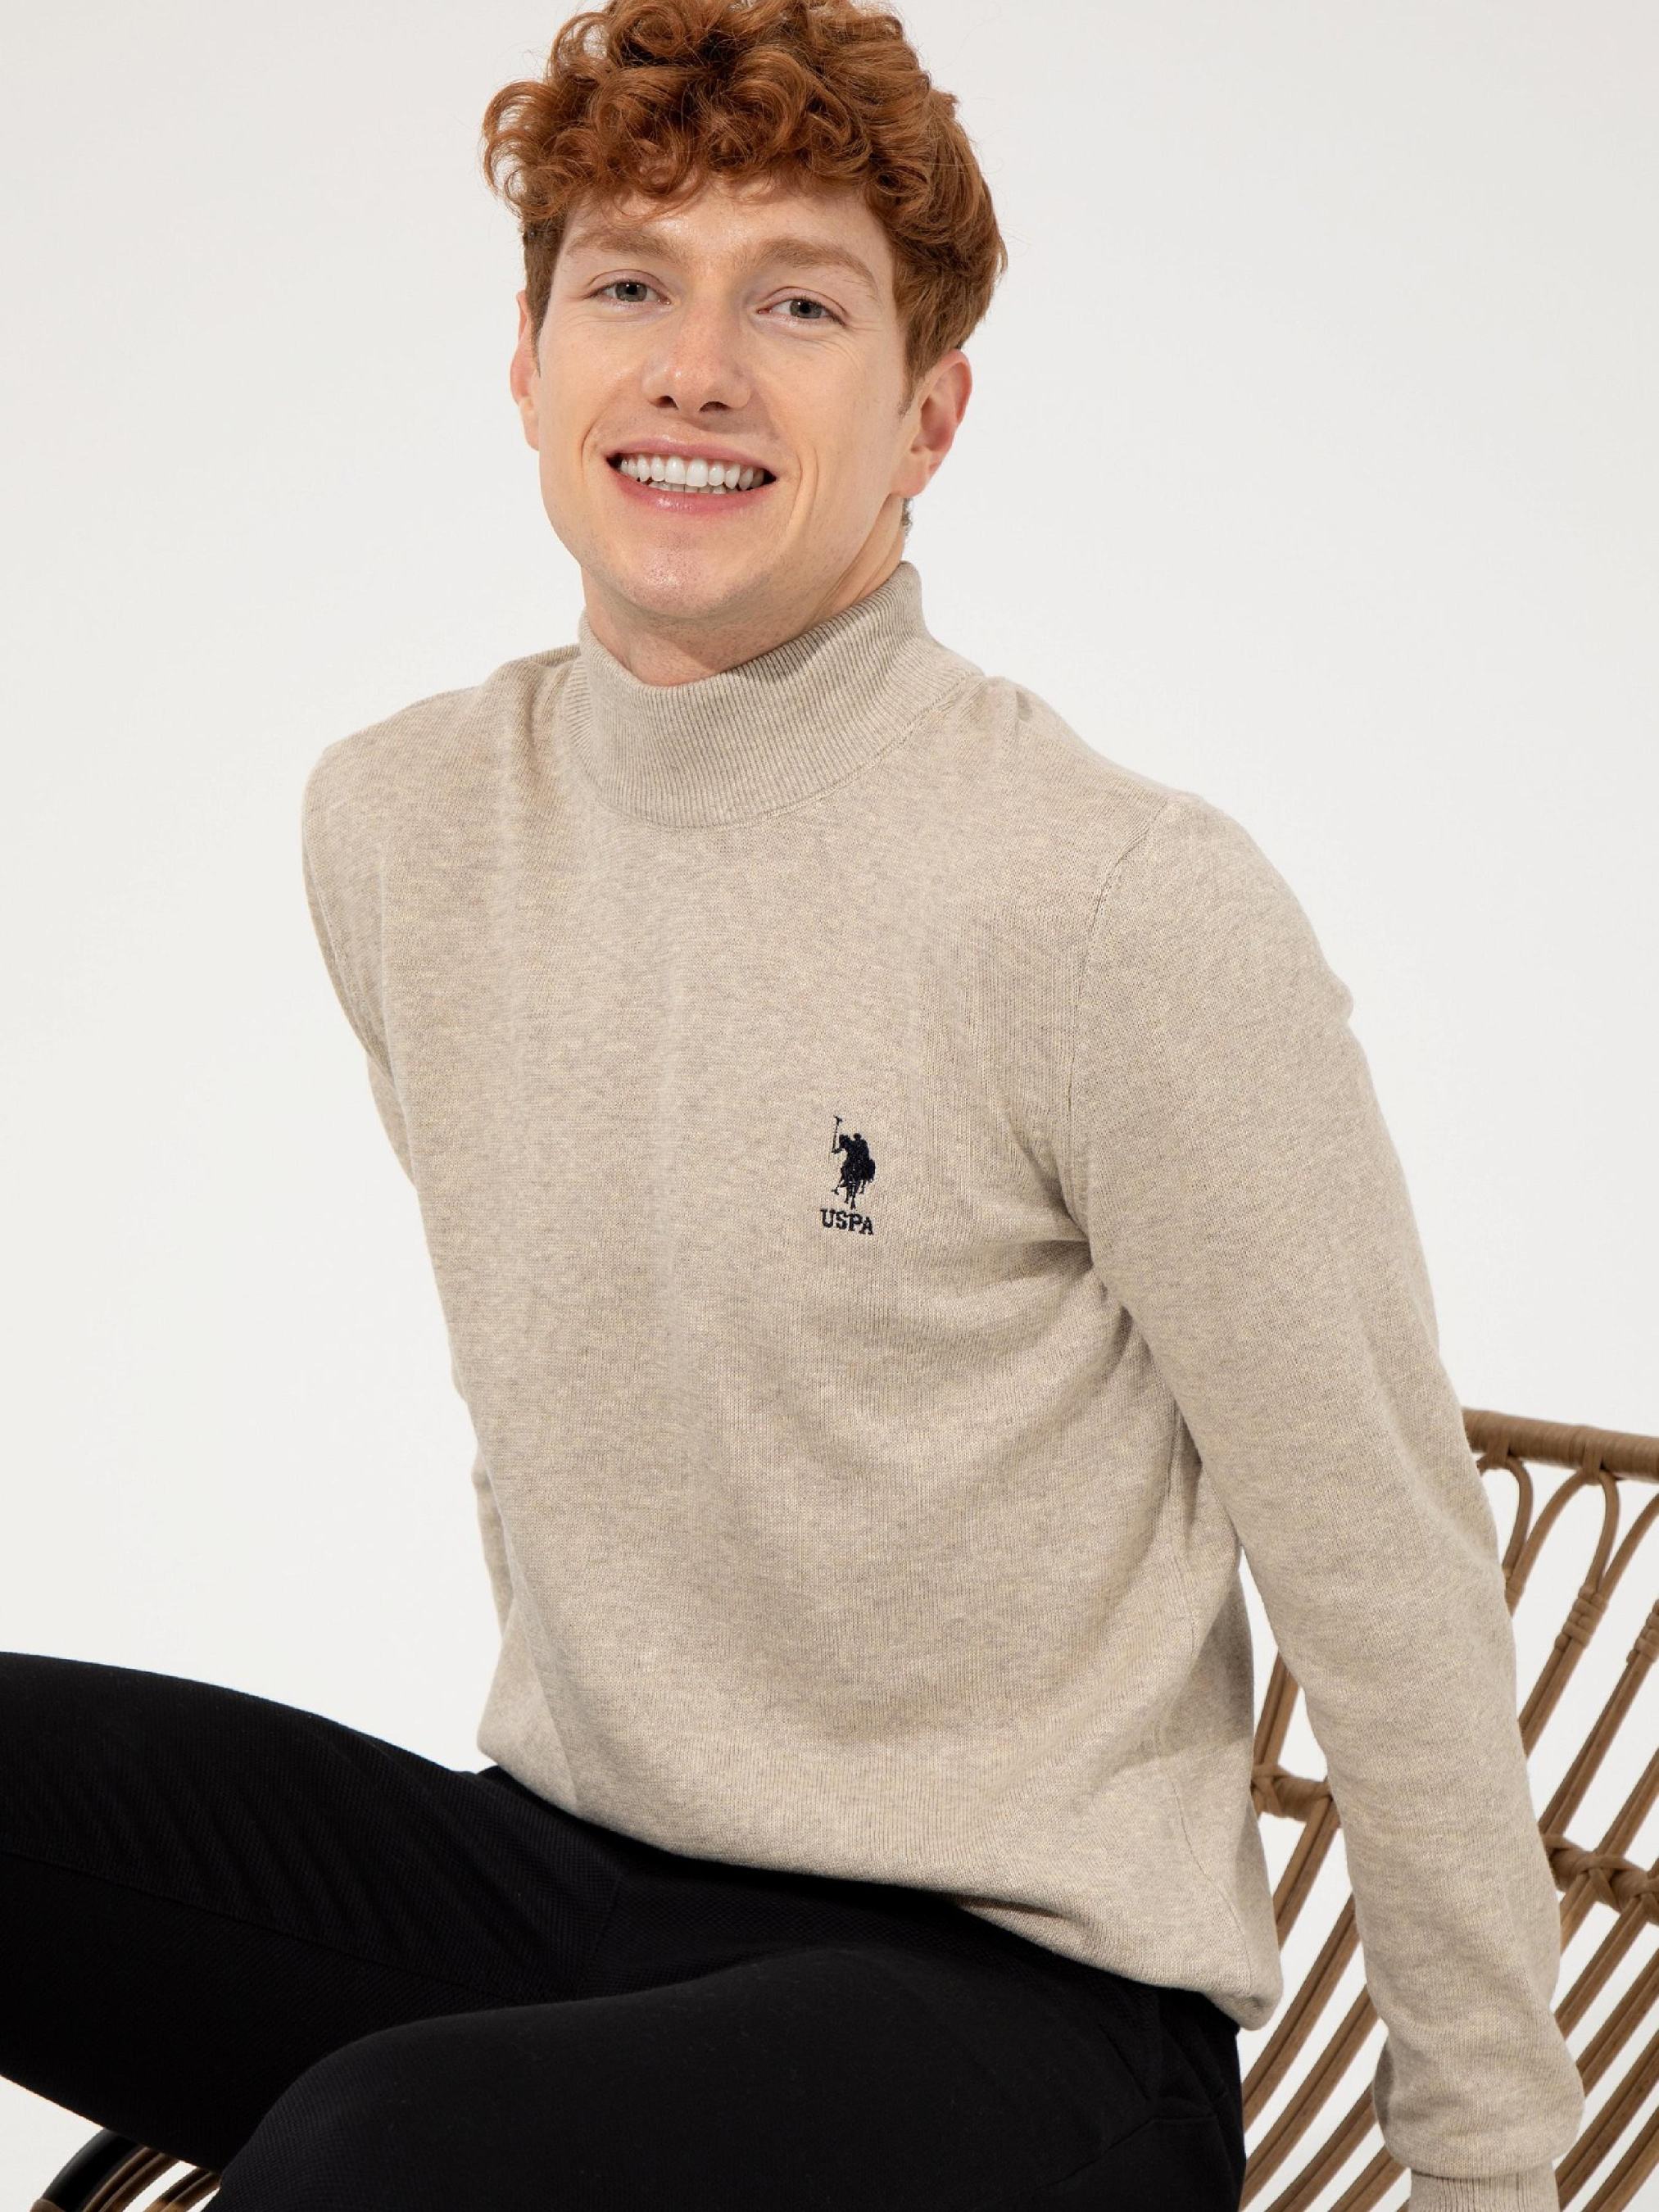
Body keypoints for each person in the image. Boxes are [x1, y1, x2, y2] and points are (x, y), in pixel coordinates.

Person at [2, 2, 1584, 2207]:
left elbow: (1385, 1571)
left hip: (1029, 2019)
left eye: (800, 304)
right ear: (528, 365)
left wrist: (1493, 2171)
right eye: (629, 285)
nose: (695, 368)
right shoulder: (401, 828)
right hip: (571, 1889)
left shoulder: (1113, 903)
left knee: (390, 2152)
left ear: (930, 413)